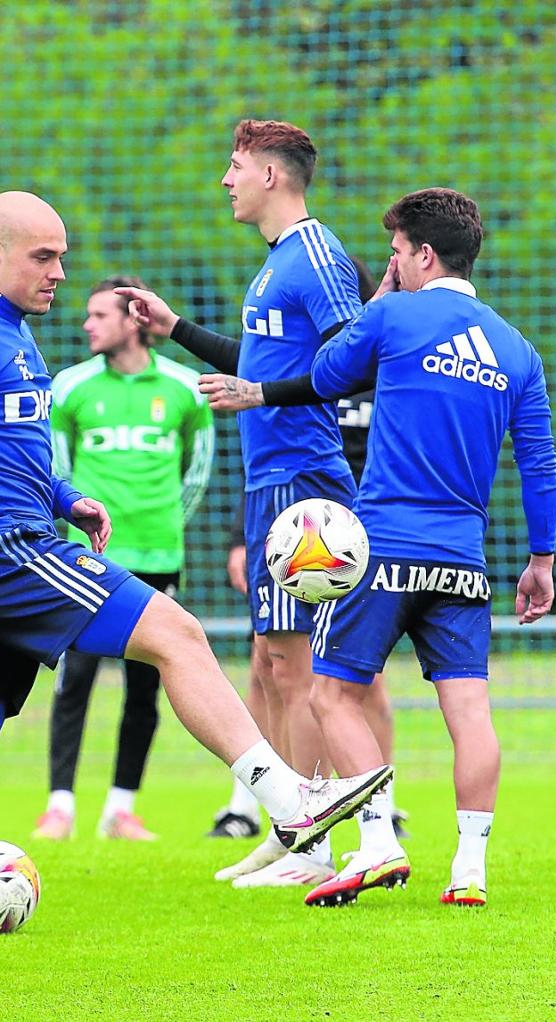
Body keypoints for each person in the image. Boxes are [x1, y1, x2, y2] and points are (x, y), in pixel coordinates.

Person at [0, 190, 391, 982]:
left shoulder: (12, 334)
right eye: (43, 257)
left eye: (62, 256)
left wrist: (66, 497)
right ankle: (289, 800)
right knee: (179, 634)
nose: (59, 272)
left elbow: (0, 446)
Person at [196, 187, 556, 908]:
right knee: (471, 712)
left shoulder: (392, 313)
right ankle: (469, 869)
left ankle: (377, 842)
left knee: (332, 694)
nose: (389, 264)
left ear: (423, 255)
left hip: (385, 546)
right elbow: (540, 463)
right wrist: (541, 561)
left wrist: (374, 307)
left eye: (395, 252)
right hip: (464, 559)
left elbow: (328, 375)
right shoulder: (518, 349)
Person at [116, 119, 363, 889]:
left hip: (306, 482)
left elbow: (357, 364)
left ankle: (315, 842)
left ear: (271, 175)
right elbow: (262, 363)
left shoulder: (317, 255)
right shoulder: (275, 265)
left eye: (234, 166)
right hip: (269, 485)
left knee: (296, 670)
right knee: (270, 661)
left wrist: (260, 393)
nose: (224, 180)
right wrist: (177, 330)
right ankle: (299, 830)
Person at [209, 256, 411, 845]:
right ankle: (259, 804)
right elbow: (262, 395)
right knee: (269, 662)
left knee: (355, 673)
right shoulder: (314, 369)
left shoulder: (383, 367)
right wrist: (237, 540)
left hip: (356, 527)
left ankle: (373, 807)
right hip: (296, 529)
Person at [31, 275, 214, 842]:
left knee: (145, 687)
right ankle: (59, 806)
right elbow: (54, 469)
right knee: (75, 679)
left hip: (159, 555)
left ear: (134, 319)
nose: (87, 324)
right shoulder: (70, 386)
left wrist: (167, 527)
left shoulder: (185, 388)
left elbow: (198, 469)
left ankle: (121, 807)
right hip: (88, 559)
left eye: (98, 315)